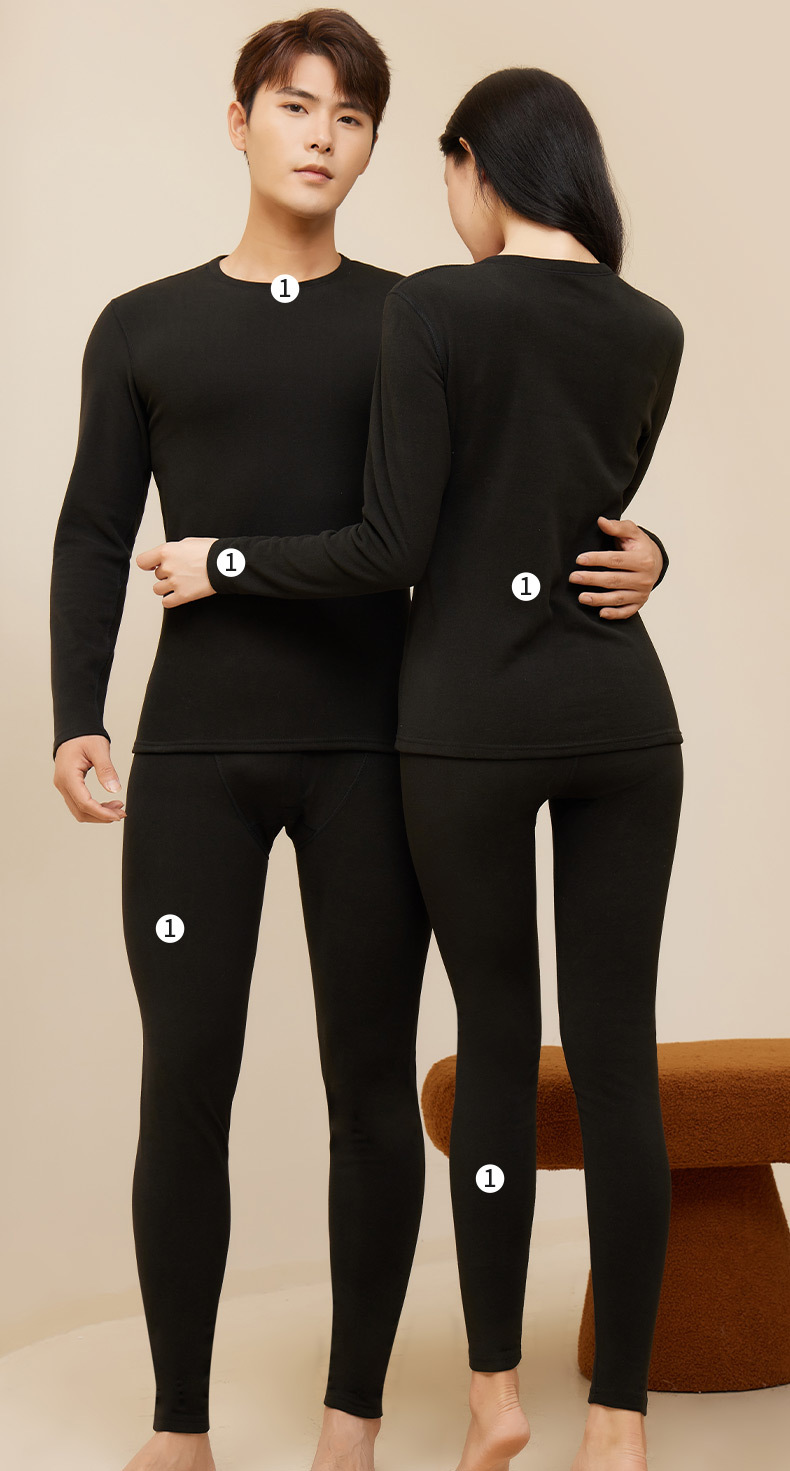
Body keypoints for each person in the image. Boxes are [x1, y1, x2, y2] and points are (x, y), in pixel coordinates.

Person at [50, 11, 673, 1470]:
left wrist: (649, 551)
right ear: (240, 123)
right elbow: (91, 527)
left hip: (379, 754)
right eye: (294, 105)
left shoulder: (421, 315)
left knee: (371, 1091)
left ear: (382, 147)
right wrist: (77, 710)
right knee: (182, 1083)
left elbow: (521, 493)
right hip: (195, 760)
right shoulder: (142, 326)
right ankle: (179, 1429)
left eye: (351, 116)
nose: (321, 134)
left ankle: (353, 1423)